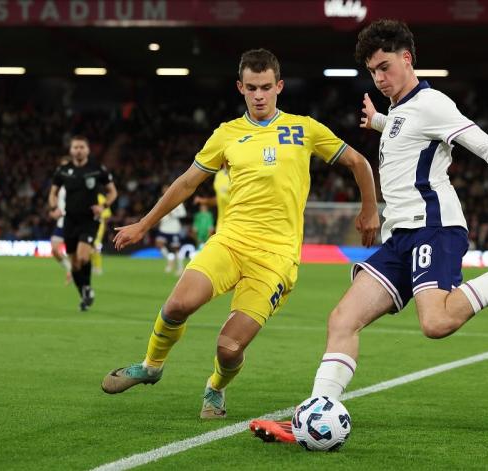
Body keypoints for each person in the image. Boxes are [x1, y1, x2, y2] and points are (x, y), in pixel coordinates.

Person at [250, 19, 488, 442]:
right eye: (373, 71)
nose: (379, 77)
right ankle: (314, 414)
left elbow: (483, 144)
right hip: (400, 238)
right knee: (342, 319)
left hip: (434, 227)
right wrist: (377, 122)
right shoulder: (397, 111)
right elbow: (406, 136)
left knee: (437, 323)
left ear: (407, 58)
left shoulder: (433, 104)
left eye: (385, 67)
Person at [100, 48, 380, 420]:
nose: (259, 95)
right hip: (230, 242)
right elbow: (186, 183)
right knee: (177, 305)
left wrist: (370, 209)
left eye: (266, 87)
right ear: (240, 88)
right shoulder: (227, 135)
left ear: (279, 86)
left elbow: (358, 162)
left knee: (229, 349)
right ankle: (151, 366)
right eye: (252, 87)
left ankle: (215, 387)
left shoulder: (305, 129)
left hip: (276, 259)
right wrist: (142, 224)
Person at [48, 135, 118, 311]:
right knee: (74, 263)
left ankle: (86, 288)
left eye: (82, 147)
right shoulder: (63, 170)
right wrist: (54, 208)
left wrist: (103, 206)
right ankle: (85, 291)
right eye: (75, 147)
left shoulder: (97, 169)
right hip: (69, 221)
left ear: (87, 149)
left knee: (83, 256)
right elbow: (52, 193)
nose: (78, 150)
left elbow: (112, 192)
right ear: (71, 150)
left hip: (89, 220)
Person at [155, 184, 188, 275]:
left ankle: (180, 267)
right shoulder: (160, 199)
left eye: (166, 189)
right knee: (159, 244)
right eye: (163, 189)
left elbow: (183, 213)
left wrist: (172, 214)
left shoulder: (177, 198)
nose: (165, 191)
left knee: (176, 249)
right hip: (164, 227)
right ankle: (170, 260)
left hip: (174, 228)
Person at [49, 158, 72, 284]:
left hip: (75, 221)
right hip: (62, 222)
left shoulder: (78, 182)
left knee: (77, 254)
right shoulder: (60, 186)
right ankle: (69, 269)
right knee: (54, 250)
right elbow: (56, 203)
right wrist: (53, 212)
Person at [91, 193, 112, 275]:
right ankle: (92, 265)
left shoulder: (100, 198)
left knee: (96, 245)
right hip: (87, 225)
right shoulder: (85, 194)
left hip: (98, 225)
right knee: (89, 246)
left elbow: (107, 215)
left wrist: (104, 227)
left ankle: (98, 268)